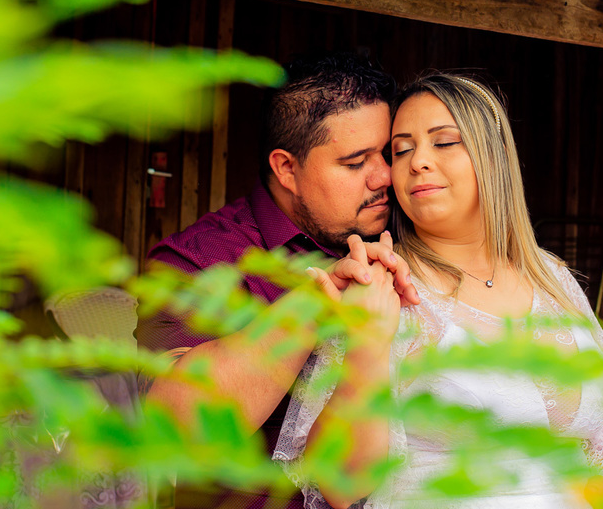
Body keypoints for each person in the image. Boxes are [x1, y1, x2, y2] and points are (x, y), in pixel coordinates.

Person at [275, 73, 603, 509]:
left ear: (495, 155)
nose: (418, 162)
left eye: (444, 141)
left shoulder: (551, 277)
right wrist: (368, 343)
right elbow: (340, 487)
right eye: (402, 150)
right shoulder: (382, 285)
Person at [141, 52, 420, 509]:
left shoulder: (406, 236)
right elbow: (181, 430)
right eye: (355, 163)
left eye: (387, 154)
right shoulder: (201, 261)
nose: (385, 176)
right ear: (286, 168)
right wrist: (310, 307)